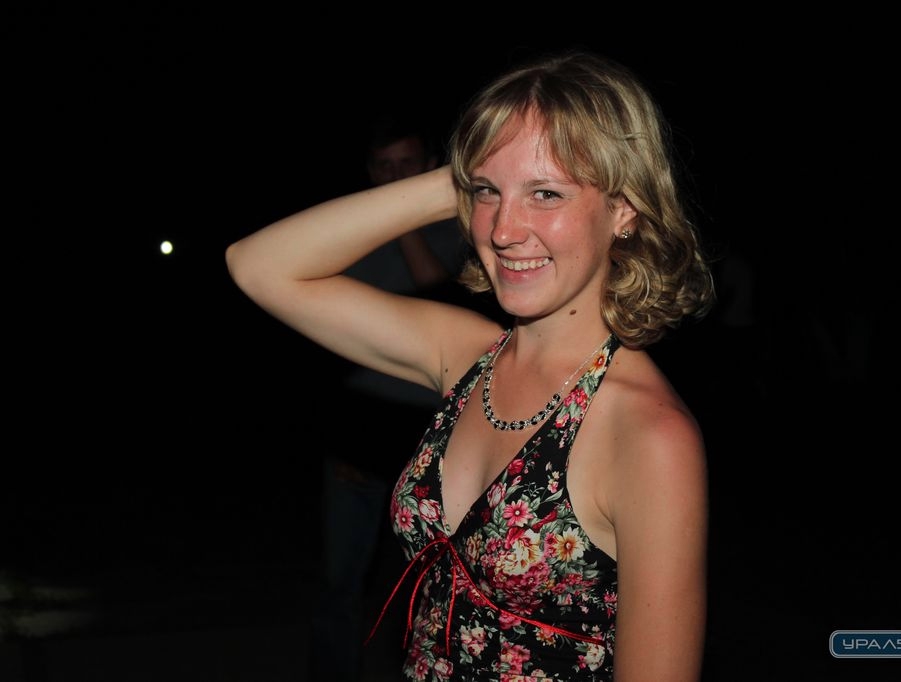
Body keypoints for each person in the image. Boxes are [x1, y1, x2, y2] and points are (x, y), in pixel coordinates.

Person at [227, 49, 714, 681]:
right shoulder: (468, 356)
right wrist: (460, 175)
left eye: (546, 193)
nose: (503, 230)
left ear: (623, 208)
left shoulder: (650, 436)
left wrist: (491, 171)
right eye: (487, 192)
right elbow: (258, 265)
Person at [308, 109, 469, 681]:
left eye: (408, 164)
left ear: (432, 167)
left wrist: (406, 221)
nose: (397, 176)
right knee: (340, 581)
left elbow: (440, 299)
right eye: (385, 166)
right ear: (369, 171)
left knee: (434, 585)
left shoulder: (466, 233)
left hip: (430, 436)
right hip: (359, 428)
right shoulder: (351, 238)